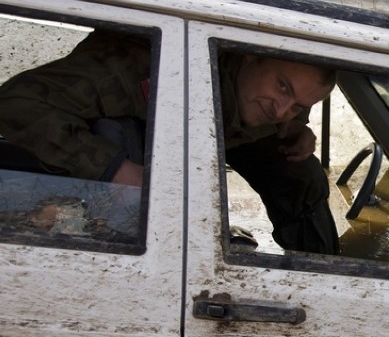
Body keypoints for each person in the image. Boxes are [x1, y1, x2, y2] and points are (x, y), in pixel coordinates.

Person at [0, 29, 339, 254]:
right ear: (249, 54)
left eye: (299, 104)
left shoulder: (262, 102)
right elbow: (16, 104)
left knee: (300, 172)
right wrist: (113, 168)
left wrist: (295, 125)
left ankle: (321, 273)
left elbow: (279, 110)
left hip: (199, 130)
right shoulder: (138, 68)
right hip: (86, 204)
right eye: (282, 87)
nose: (281, 109)